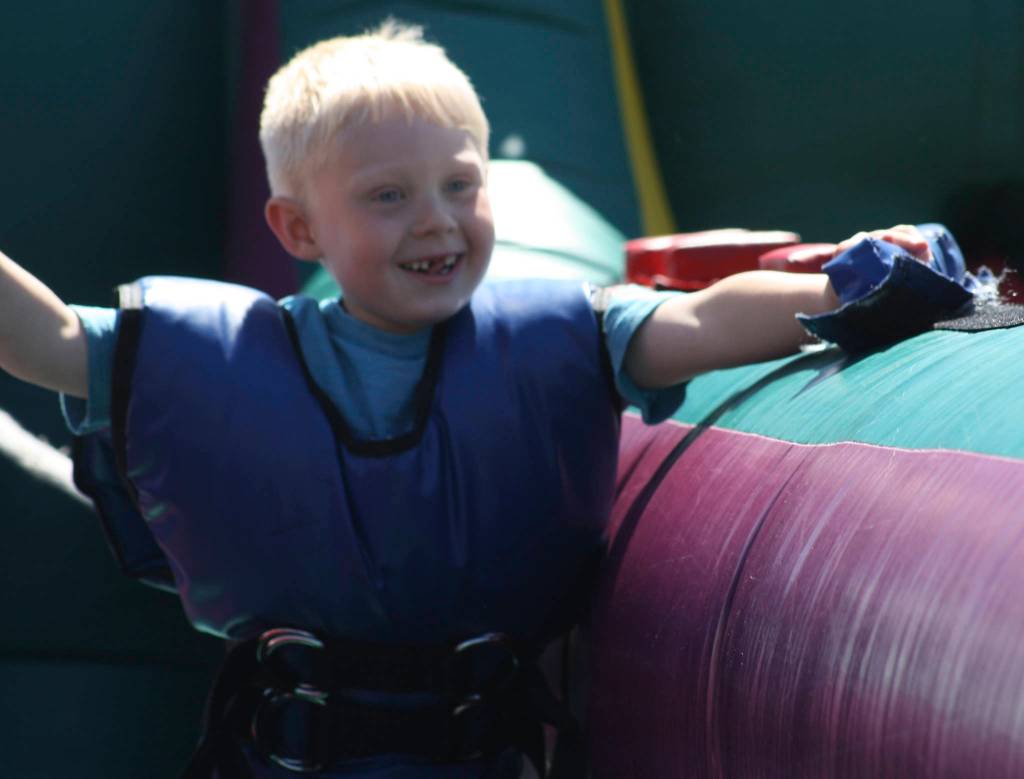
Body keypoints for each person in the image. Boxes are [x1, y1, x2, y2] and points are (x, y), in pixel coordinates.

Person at [0, 20, 934, 779]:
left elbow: (700, 324)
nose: (436, 220)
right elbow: (46, 341)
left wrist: (845, 286)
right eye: (388, 196)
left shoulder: (558, 336)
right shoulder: (223, 356)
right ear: (297, 227)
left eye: (459, 185)